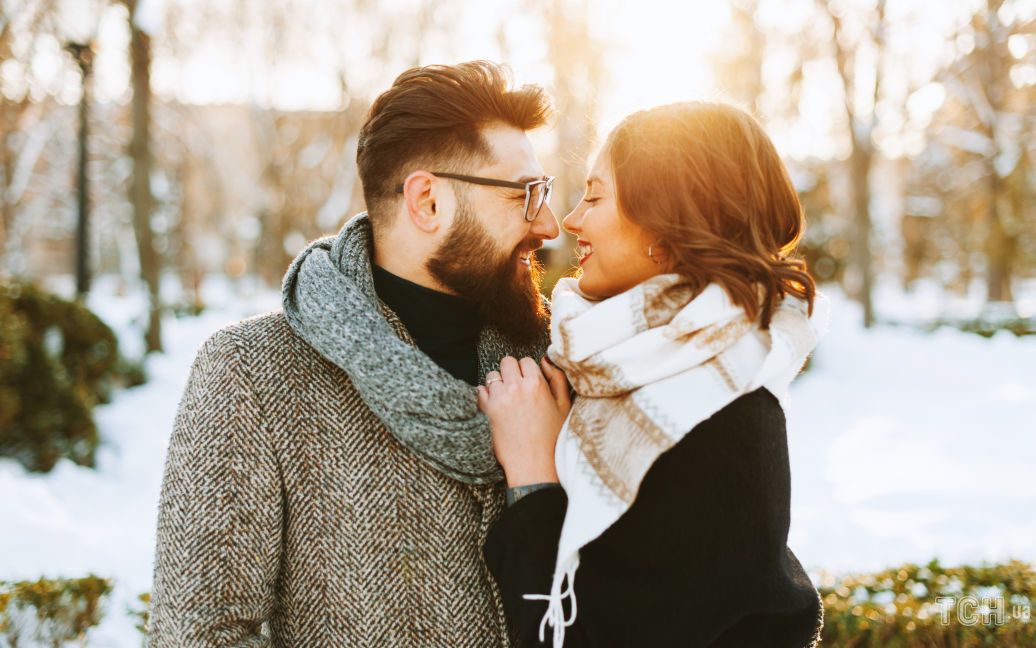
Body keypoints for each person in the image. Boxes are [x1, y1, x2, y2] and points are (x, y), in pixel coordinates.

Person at [147, 60, 562, 647]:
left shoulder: (560, 362)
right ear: (427, 201)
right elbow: (199, 634)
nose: (549, 224)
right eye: (526, 195)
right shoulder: (252, 372)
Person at [477, 101, 829, 647]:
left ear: (667, 226)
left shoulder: (720, 418)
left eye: (595, 197)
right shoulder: (623, 369)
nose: (570, 220)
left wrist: (534, 480)